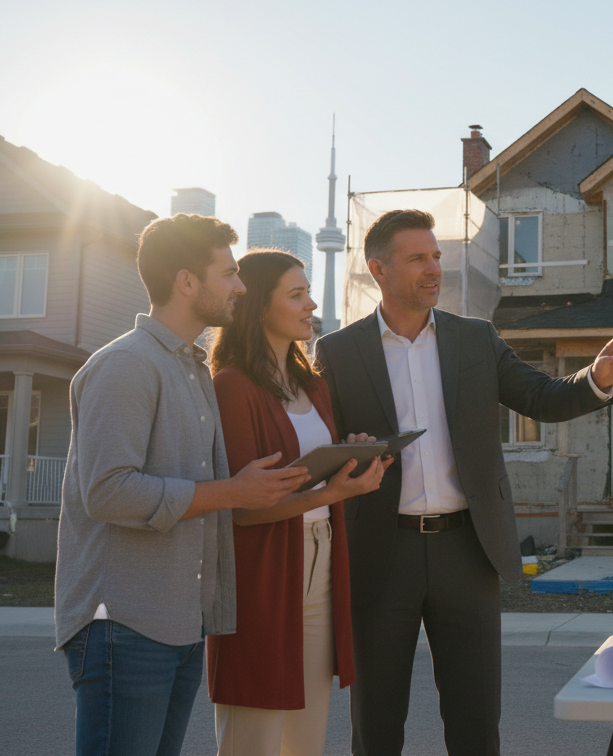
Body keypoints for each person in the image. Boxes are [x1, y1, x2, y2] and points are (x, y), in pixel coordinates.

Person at [314, 209, 613, 756]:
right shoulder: (339, 352)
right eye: (418, 258)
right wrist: (347, 459)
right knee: (376, 722)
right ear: (378, 269)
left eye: (436, 256)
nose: (433, 267)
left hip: (467, 550)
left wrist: (597, 378)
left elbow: (540, 396)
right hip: (378, 550)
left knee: (475, 720)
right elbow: (323, 449)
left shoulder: (475, 339)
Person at [55, 214, 312, 756]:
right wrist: (233, 492)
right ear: (187, 282)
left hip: (178, 622)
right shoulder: (126, 365)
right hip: (122, 625)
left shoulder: (191, 371)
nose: (241, 286)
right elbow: (107, 491)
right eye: (228, 274)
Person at [206, 250, 390, 756]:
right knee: (253, 738)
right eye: (296, 294)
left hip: (323, 561)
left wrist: (344, 457)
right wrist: (332, 492)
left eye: (309, 291)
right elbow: (243, 508)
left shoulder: (312, 384)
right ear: (257, 306)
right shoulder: (232, 387)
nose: (312, 304)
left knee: (306, 741)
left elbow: (307, 469)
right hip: (262, 573)